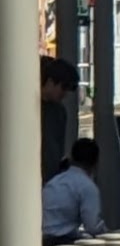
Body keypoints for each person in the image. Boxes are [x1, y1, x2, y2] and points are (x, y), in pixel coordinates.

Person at [42, 137, 106, 246]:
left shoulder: (54, 182)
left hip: (41, 240)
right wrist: (109, 233)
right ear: (95, 163)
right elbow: (92, 226)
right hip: (64, 243)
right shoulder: (87, 187)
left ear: (72, 158)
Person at [40, 55, 78, 184]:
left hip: (51, 179)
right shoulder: (27, 108)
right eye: (63, 87)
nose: (65, 93)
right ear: (50, 82)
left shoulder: (59, 111)